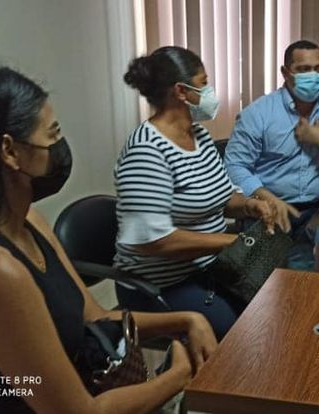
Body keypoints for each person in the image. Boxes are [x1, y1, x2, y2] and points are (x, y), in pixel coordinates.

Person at [0, 62, 215, 413]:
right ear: (9, 151)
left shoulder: (29, 221)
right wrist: (179, 376)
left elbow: (95, 317)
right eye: (52, 134)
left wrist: (187, 319)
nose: (60, 146)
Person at [116, 46, 275, 339]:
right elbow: (154, 241)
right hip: (163, 286)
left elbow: (222, 197)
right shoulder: (147, 151)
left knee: (278, 300)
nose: (210, 92)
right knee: (243, 331)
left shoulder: (198, 136)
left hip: (211, 269)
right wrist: (232, 242)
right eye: (204, 83)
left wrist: (249, 205)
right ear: (181, 91)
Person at [224, 40, 319, 269]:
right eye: (303, 70)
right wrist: (269, 199)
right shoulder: (258, 113)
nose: (313, 76)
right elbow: (234, 166)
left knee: (309, 279)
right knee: (260, 283)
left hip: (317, 212)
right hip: (266, 211)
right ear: (285, 73)